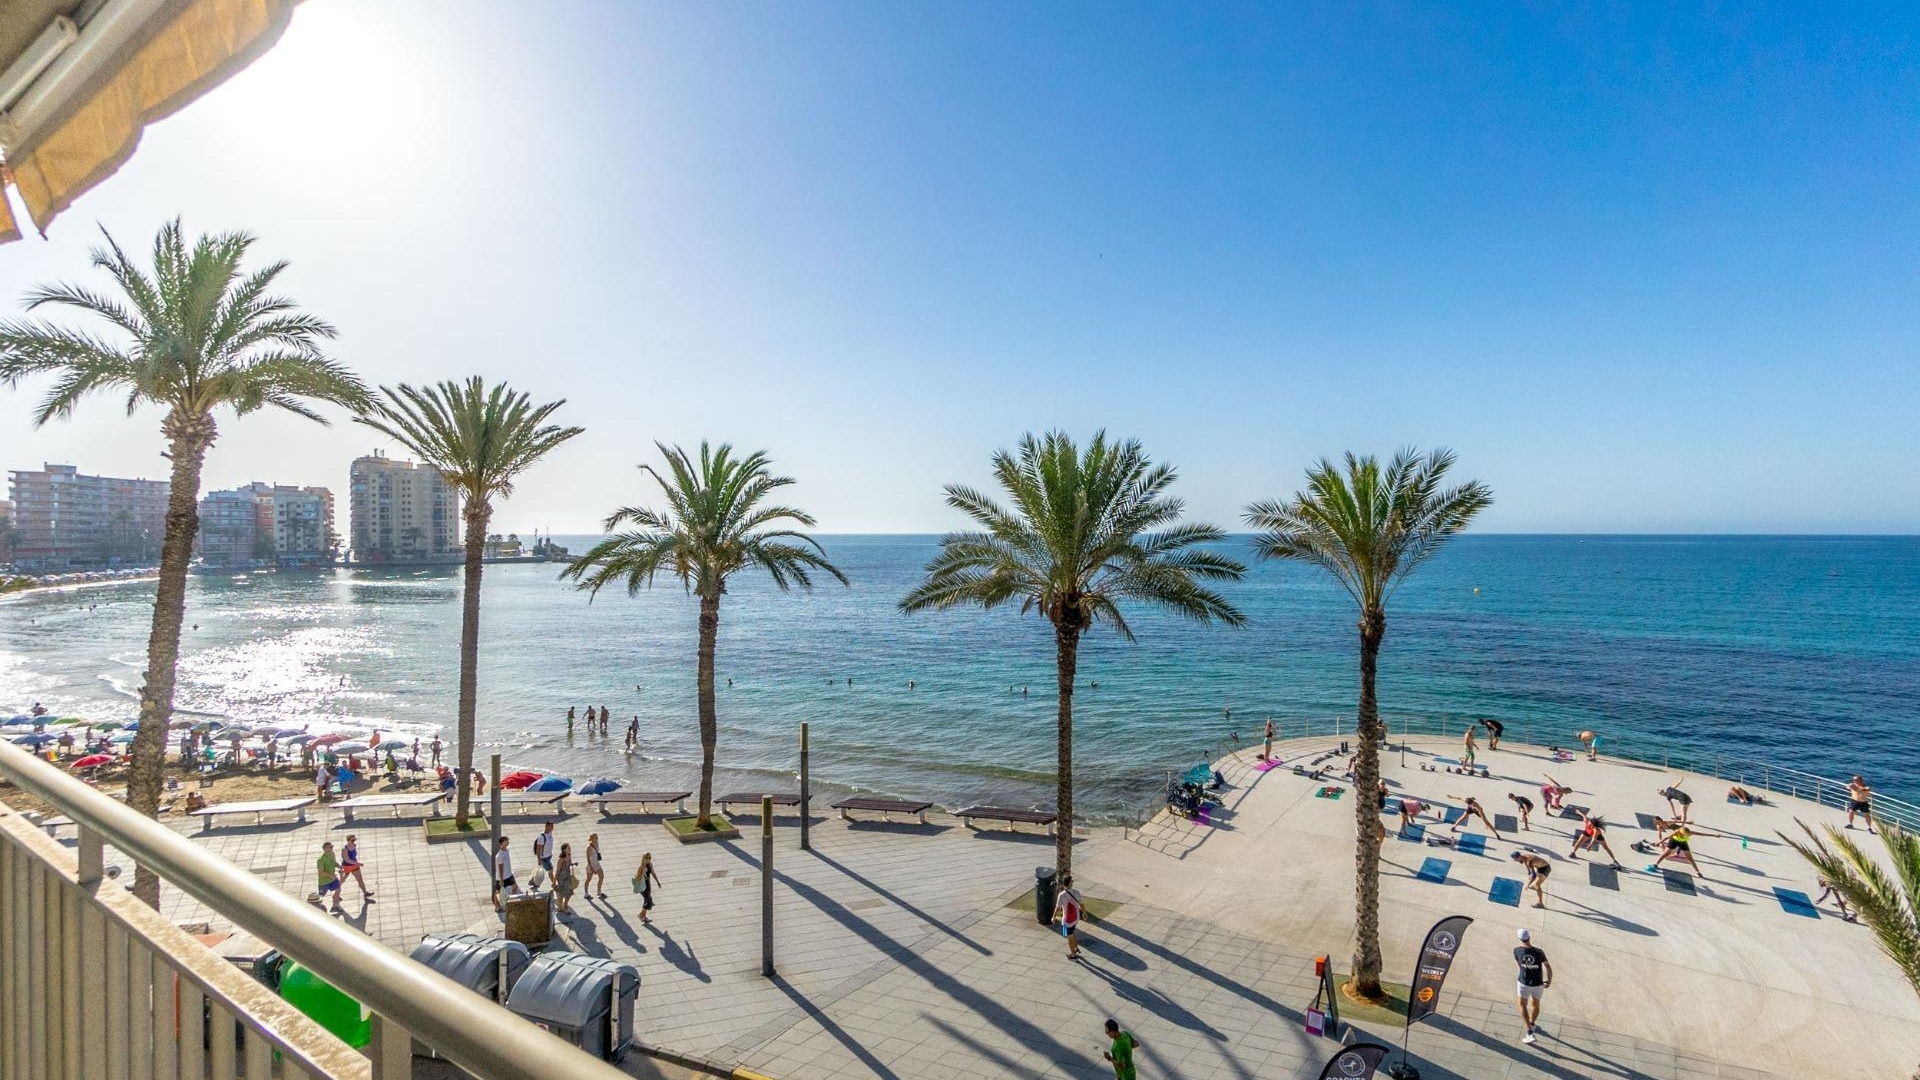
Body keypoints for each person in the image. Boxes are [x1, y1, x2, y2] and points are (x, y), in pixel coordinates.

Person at [1514, 928, 1552, 1043]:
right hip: (1538, 984)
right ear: (1529, 937)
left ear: (1520, 939)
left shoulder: (1516, 951)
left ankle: (1529, 1032)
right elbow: (1548, 967)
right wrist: (1549, 981)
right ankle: (1532, 1023)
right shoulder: (1539, 952)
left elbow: (1519, 966)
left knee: (1522, 1005)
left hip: (1524, 983)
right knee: (1536, 1004)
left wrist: (1525, 970)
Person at [1051, 872, 1084, 960]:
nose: (1073, 882)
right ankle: (1076, 948)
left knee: (1069, 936)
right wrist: (1084, 913)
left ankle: (1073, 955)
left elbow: (1057, 908)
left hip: (1068, 920)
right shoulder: (1077, 892)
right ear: (1069, 883)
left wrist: (1053, 917)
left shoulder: (1061, 895)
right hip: (1076, 917)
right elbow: (1082, 905)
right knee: (1072, 932)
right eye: (1072, 881)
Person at [341, 834, 373, 900]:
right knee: (342, 880)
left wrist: (356, 863)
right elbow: (347, 859)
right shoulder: (344, 849)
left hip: (355, 865)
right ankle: (336, 894)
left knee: (360, 879)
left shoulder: (354, 846)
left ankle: (365, 893)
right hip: (347, 866)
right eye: (352, 840)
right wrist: (357, 863)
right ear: (348, 840)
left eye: (355, 840)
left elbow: (354, 856)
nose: (354, 841)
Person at [315, 841, 343, 914]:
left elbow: (334, 863)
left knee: (338, 890)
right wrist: (331, 875)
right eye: (330, 847)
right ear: (324, 849)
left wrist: (339, 866)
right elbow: (320, 872)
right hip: (324, 881)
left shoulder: (332, 854)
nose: (332, 848)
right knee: (321, 895)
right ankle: (314, 906)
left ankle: (335, 906)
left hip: (333, 879)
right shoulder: (320, 860)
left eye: (332, 847)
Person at [635, 852, 661, 922]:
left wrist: (657, 881)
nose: (648, 859)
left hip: (648, 884)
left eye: (650, 858)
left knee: (647, 900)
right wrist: (643, 873)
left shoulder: (650, 865)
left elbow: (653, 873)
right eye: (647, 858)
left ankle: (643, 916)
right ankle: (641, 915)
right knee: (648, 899)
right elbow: (637, 878)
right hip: (641, 885)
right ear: (643, 858)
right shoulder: (640, 867)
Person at [553, 843, 577, 916]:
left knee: (569, 891)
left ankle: (565, 904)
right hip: (562, 878)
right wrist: (554, 881)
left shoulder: (569, 855)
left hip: (568, 876)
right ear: (563, 850)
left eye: (569, 847)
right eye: (568, 848)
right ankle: (560, 907)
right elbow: (557, 871)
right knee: (563, 892)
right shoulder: (561, 859)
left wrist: (573, 863)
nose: (569, 848)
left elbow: (569, 864)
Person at [584, 833, 605, 899]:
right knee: (588, 879)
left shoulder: (597, 843)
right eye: (595, 837)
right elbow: (588, 858)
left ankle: (599, 892)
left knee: (601, 877)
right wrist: (591, 867)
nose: (597, 838)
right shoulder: (589, 847)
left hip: (597, 864)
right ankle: (586, 893)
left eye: (597, 837)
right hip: (591, 865)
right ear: (592, 839)